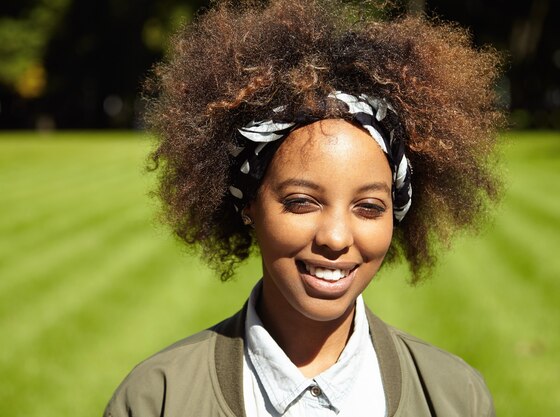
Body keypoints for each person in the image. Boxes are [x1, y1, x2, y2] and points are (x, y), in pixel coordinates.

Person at [104, 0, 504, 415]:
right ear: (248, 206)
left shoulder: (455, 397)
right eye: (301, 203)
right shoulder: (158, 398)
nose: (334, 237)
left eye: (368, 207)